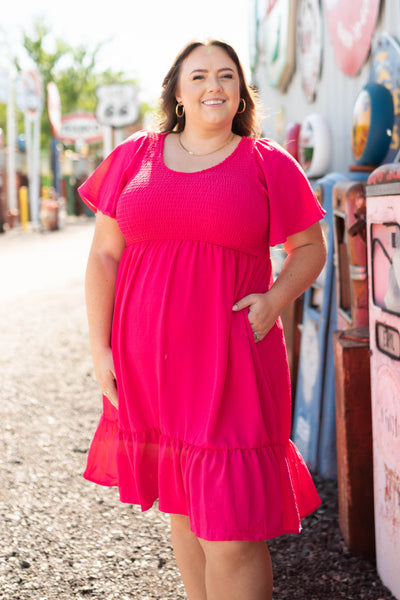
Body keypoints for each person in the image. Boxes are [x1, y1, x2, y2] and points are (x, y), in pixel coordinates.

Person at [79, 38, 327, 600]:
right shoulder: (133, 158)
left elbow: (310, 248)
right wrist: (101, 351)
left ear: (240, 93)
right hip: (150, 367)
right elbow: (103, 256)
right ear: (178, 93)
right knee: (185, 509)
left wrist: (274, 299)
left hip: (232, 361)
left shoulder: (268, 163)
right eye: (199, 77)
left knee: (233, 532)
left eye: (226, 76)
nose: (213, 86)